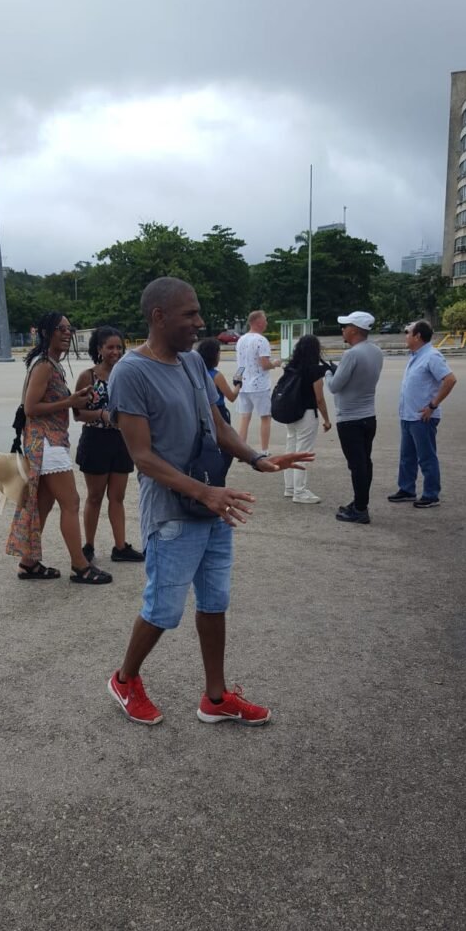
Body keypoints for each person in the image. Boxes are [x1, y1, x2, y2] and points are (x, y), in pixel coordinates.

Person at [106, 277, 314, 727]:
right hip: (174, 512)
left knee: (215, 601)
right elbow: (141, 455)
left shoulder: (190, 363)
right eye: (190, 314)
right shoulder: (131, 372)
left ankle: (215, 699)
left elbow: (218, 425)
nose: (200, 323)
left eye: (198, 312)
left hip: (212, 503)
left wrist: (258, 459)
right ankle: (125, 679)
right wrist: (205, 492)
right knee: (162, 609)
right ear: (158, 316)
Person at [6, 311, 112, 585]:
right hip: (46, 443)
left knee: (42, 503)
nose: (67, 333)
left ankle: (28, 563)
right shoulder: (44, 365)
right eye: (60, 329)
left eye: (69, 329)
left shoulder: (51, 363)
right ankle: (81, 566)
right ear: (46, 333)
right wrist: (69, 403)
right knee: (71, 502)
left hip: (47, 441)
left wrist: (72, 400)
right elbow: (31, 408)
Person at [74, 326, 144, 563]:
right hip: (96, 441)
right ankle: (89, 546)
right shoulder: (89, 376)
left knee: (118, 497)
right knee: (94, 497)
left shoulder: (127, 374)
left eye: (119, 347)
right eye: (110, 347)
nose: (115, 351)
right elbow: (77, 413)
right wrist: (101, 415)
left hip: (121, 441)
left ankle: (120, 546)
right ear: (99, 349)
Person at [387, 320, 457, 508]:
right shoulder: (416, 355)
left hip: (423, 417)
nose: (405, 335)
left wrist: (432, 406)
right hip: (409, 415)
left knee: (426, 457)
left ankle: (431, 494)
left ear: (418, 336)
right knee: (407, 456)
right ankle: (407, 489)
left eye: (407, 332)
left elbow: (450, 380)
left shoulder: (432, 356)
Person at [327, 311, 383, 524]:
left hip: (350, 418)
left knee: (357, 465)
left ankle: (360, 508)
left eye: (345, 326)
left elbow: (334, 386)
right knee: (364, 462)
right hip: (369, 416)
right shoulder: (376, 352)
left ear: (354, 330)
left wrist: (328, 373)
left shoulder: (352, 354)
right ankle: (360, 502)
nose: (342, 330)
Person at [280, 334, 332, 504]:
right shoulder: (314, 370)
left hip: (291, 413)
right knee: (303, 453)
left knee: (291, 450)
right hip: (307, 414)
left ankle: (290, 487)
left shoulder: (290, 367)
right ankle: (300, 491)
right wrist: (326, 419)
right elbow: (319, 399)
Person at [236, 310, 281, 455]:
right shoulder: (261, 340)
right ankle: (264, 450)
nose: (267, 323)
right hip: (259, 385)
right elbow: (264, 364)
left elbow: (241, 364)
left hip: (243, 384)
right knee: (265, 417)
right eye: (265, 320)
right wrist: (275, 363)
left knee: (245, 418)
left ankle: (241, 451)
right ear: (258, 322)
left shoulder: (241, 340)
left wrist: (237, 381)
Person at [195, 337, 243, 473]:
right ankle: (219, 475)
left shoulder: (197, 373)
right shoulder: (216, 375)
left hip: (201, 413)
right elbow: (231, 397)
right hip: (218, 412)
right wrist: (238, 385)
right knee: (227, 450)